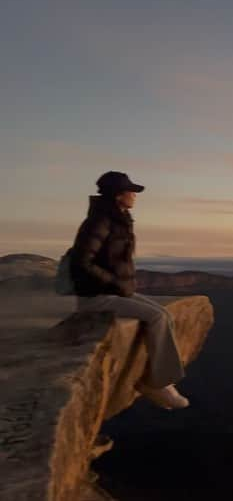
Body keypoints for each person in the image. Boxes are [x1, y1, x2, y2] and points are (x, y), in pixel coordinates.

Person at [70, 171, 189, 410]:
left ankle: (159, 379)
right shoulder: (100, 222)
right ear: (117, 195)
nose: (135, 195)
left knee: (164, 315)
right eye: (130, 191)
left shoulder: (117, 219)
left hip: (113, 292)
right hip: (96, 297)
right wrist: (114, 282)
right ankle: (157, 383)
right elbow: (81, 262)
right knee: (156, 317)